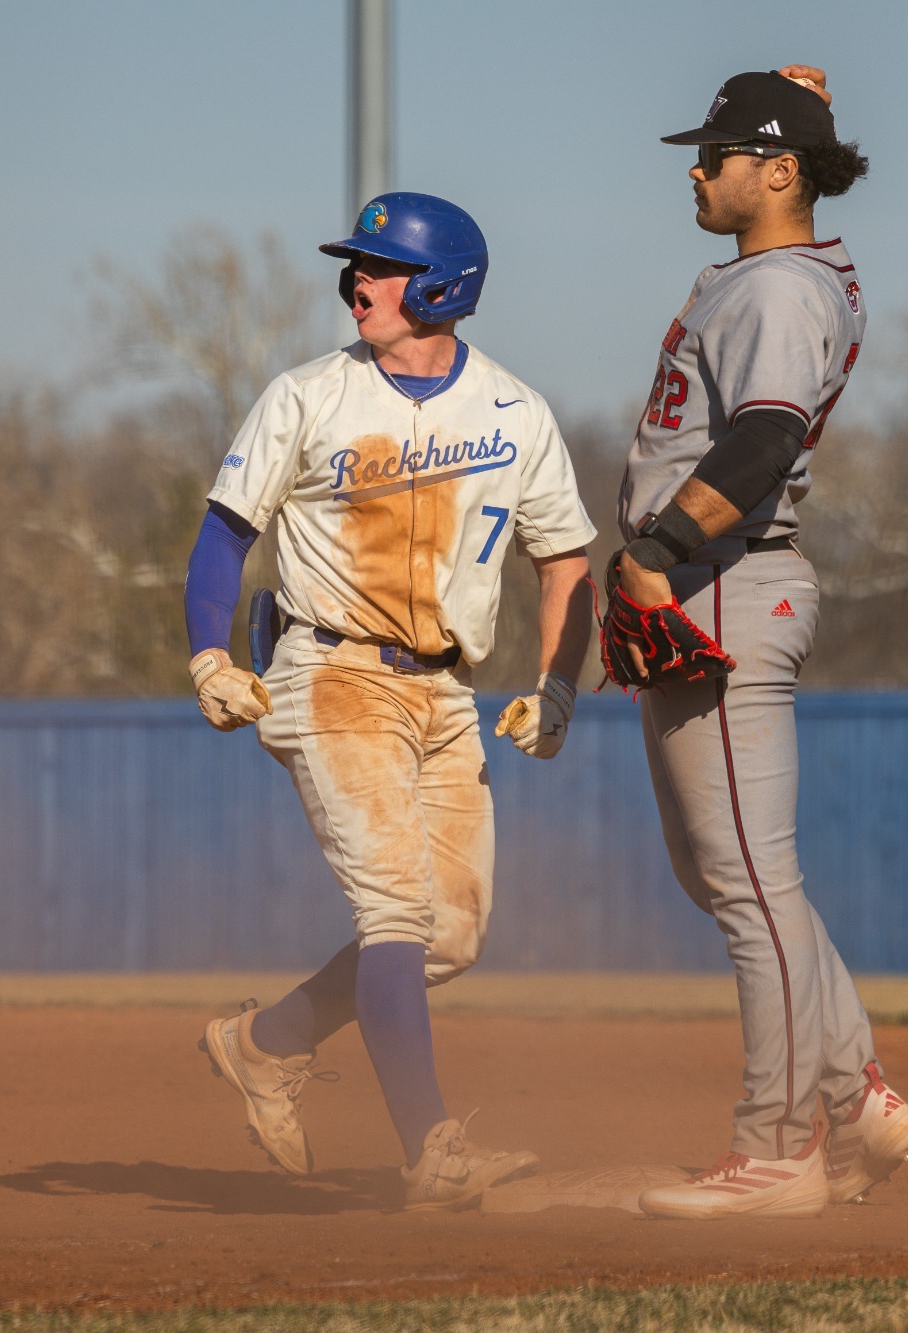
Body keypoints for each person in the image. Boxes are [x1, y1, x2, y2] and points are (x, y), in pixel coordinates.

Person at [182, 192, 598, 1210]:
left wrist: (555, 687)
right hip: (328, 673)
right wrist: (209, 654)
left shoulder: (512, 412)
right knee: (395, 909)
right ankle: (434, 1154)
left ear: (443, 287)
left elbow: (568, 560)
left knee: (448, 935)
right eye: (354, 261)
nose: (354, 280)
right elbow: (225, 532)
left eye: (377, 264)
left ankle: (262, 1044)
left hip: (445, 691)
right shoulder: (308, 396)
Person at [601, 69, 908, 1220]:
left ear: (777, 170)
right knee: (724, 872)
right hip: (714, 580)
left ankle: (780, 1147)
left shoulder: (780, 287)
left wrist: (654, 549)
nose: (697, 167)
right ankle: (857, 1095)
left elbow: (761, 442)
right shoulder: (768, 274)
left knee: (745, 878)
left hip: (725, 578)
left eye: (720, 151)